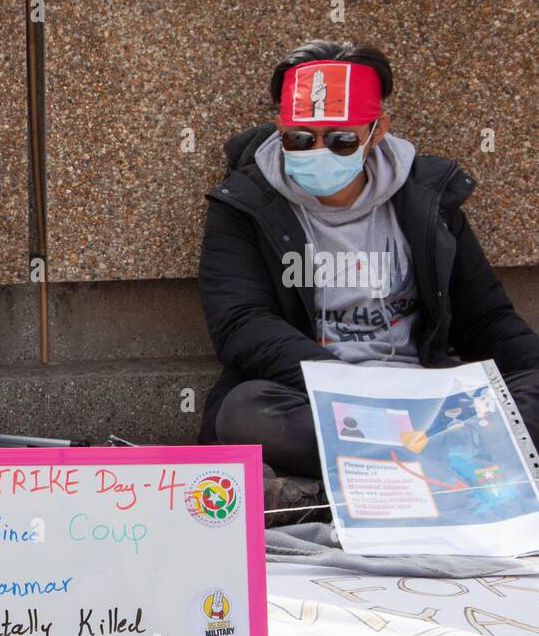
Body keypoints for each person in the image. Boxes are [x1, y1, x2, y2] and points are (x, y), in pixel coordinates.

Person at [198, 40, 539, 520]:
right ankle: (446, 479)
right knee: (246, 412)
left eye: (339, 140)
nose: (318, 151)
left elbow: (486, 319)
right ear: (280, 127)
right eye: (300, 138)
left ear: (377, 131)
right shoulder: (245, 205)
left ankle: (332, 496)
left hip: (426, 403)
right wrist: (350, 390)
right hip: (318, 402)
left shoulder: (426, 199)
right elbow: (241, 325)